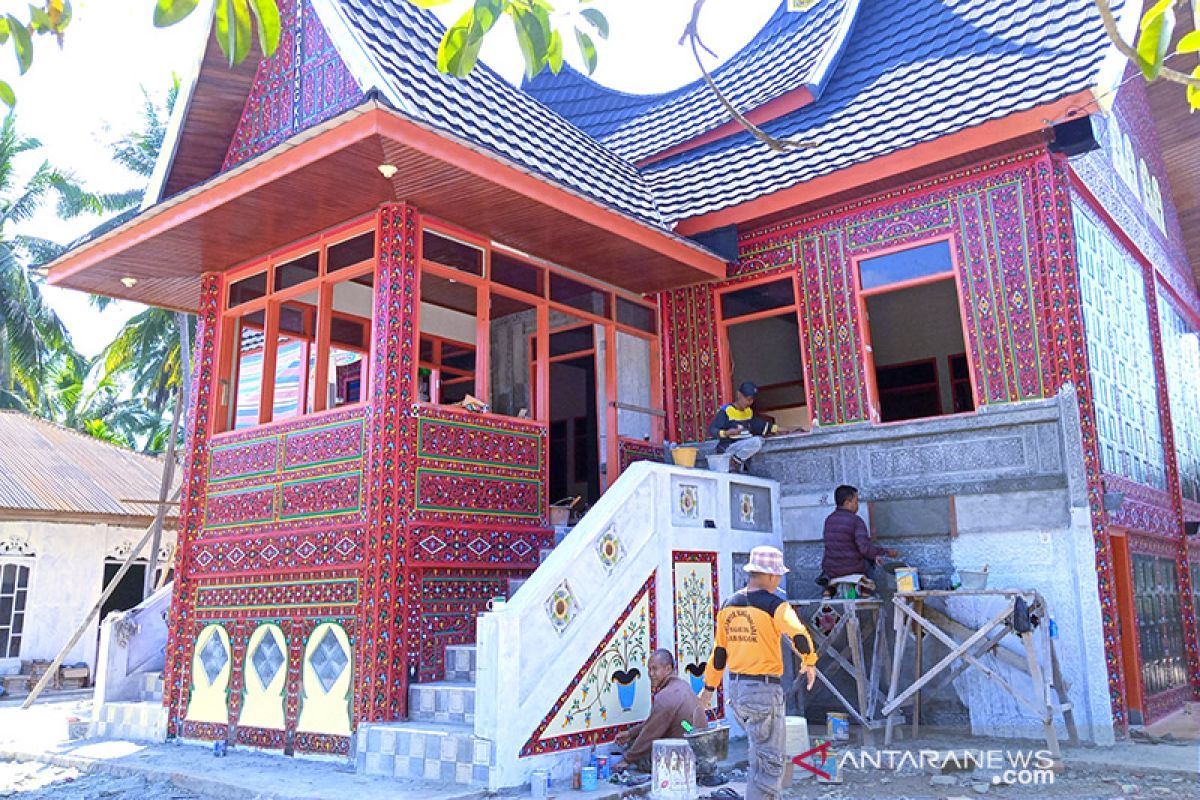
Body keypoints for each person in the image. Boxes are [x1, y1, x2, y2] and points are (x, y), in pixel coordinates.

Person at [699, 546, 818, 800]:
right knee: (768, 766)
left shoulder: (728, 606)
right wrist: (809, 661)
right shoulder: (775, 605)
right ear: (772, 576)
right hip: (764, 692)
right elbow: (798, 634)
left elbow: (719, 653)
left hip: (738, 692)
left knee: (760, 756)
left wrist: (709, 688)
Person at [611, 649, 707, 772]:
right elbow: (654, 722)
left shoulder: (665, 696)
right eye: (649, 669)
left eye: (655, 669)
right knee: (637, 740)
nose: (651, 674)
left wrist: (627, 759)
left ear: (668, 669)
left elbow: (650, 733)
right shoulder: (683, 686)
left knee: (636, 748)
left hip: (683, 759)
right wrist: (631, 733)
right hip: (701, 752)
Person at [820, 485, 897, 587]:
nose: (857, 505)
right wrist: (885, 552)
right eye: (856, 502)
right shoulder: (856, 521)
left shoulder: (829, 520)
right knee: (868, 563)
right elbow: (864, 549)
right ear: (847, 502)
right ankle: (865, 590)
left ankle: (828, 590)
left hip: (830, 568)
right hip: (851, 567)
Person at [707, 382, 794, 471]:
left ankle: (736, 461)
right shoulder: (726, 411)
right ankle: (733, 461)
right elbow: (712, 430)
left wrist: (777, 429)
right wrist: (726, 433)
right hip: (729, 448)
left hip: (742, 448)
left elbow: (758, 425)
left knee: (759, 440)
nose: (749, 402)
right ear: (739, 395)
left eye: (752, 400)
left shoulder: (748, 412)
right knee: (756, 441)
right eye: (747, 399)